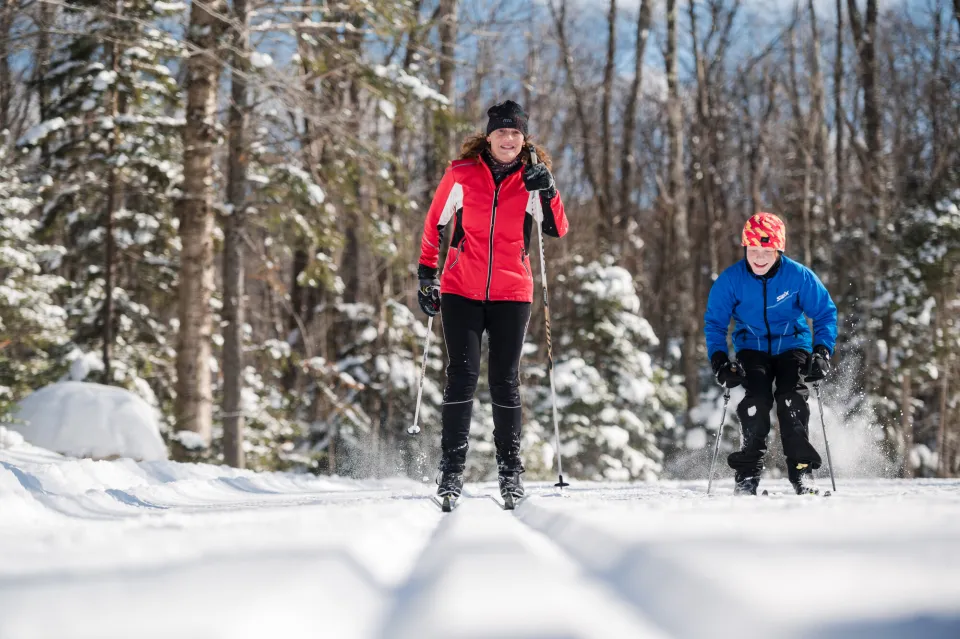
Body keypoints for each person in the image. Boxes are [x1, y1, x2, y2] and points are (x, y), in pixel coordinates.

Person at [415, 100, 569, 503]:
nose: (508, 138)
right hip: (461, 289)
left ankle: (510, 473)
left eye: (515, 133)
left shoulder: (533, 178)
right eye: (501, 131)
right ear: (489, 135)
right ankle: (451, 471)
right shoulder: (461, 174)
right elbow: (436, 222)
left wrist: (548, 189)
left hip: (512, 293)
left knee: (505, 381)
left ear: (524, 138)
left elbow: (556, 229)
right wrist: (426, 275)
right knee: (461, 375)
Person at [703, 212, 838, 495]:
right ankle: (747, 474)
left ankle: (802, 471)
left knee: (791, 399)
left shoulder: (798, 277)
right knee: (757, 402)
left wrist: (822, 351)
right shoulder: (731, 281)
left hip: (793, 346)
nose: (759, 257)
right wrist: (719, 361)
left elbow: (825, 313)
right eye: (753, 250)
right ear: (745, 249)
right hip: (752, 349)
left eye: (767, 250)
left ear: (779, 249)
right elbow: (715, 324)